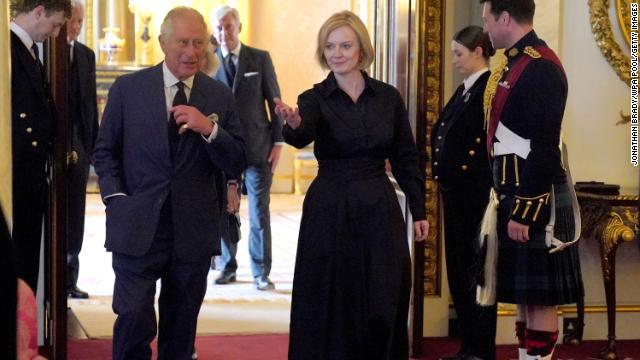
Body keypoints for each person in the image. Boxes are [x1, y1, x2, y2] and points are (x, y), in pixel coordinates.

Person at [93, 7, 245, 359]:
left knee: (180, 332)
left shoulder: (218, 95)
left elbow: (237, 158)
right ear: (163, 43)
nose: (191, 52)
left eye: (197, 43)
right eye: (181, 42)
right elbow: (104, 151)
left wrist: (209, 129)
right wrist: (116, 198)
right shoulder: (128, 89)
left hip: (193, 231)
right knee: (132, 319)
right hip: (137, 225)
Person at [275, 10, 429, 359]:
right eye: (329, 46)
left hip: (379, 205)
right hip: (330, 208)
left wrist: (418, 210)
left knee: (382, 295)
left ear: (362, 49)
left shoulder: (387, 97)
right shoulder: (313, 98)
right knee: (332, 298)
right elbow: (301, 132)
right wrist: (295, 123)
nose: (337, 53)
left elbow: (406, 156)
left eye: (345, 45)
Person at [480, 1, 583, 359]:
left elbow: (544, 147)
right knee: (525, 299)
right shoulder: (515, 63)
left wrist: (525, 210)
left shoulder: (541, 68)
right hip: (511, 191)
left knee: (540, 300)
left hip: (533, 198)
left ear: (504, 18)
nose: (486, 28)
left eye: (487, 19)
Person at [432, 25, 496, 360]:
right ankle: (469, 348)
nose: (454, 60)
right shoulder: (468, 89)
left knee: (476, 276)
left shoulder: (489, 90)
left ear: (478, 51)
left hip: (474, 197)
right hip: (456, 195)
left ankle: (479, 351)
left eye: (459, 53)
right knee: (460, 274)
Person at [210, 5, 283, 291]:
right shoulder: (209, 62)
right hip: (224, 149)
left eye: (228, 26)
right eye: (218, 27)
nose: (223, 32)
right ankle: (227, 266)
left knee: (259, 211)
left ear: (238, 27)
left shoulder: (259, 59)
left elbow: (275, 102)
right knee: (226, 209)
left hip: (258, 149)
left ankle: (261, 272)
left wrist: (278, 142)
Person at [10, 0, 71, 292]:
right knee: (18, 264)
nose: (56, 33)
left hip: (30, 179)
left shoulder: (27, 50)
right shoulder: (7, 48)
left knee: (26, 263)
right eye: (55, 24)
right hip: (16, 179)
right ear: (38, 12)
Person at [66, 0, 98, 299]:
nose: (75, 26)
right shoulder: (47, 51)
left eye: (79, 21)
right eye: (72, 20)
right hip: (56, 143)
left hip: (81, 143)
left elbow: (90, 106)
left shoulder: (87, 56)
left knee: (76, 213)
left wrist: (94, 148)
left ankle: (70, 278)